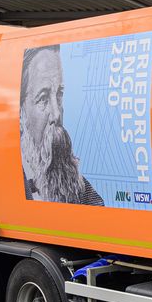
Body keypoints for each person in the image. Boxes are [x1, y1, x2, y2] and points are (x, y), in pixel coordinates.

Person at [19, 45, 103, 206]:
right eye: (43, 98)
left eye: (59, 94)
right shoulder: (3, 179)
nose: (57, 114)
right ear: (20, 112)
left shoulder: (83, 192)